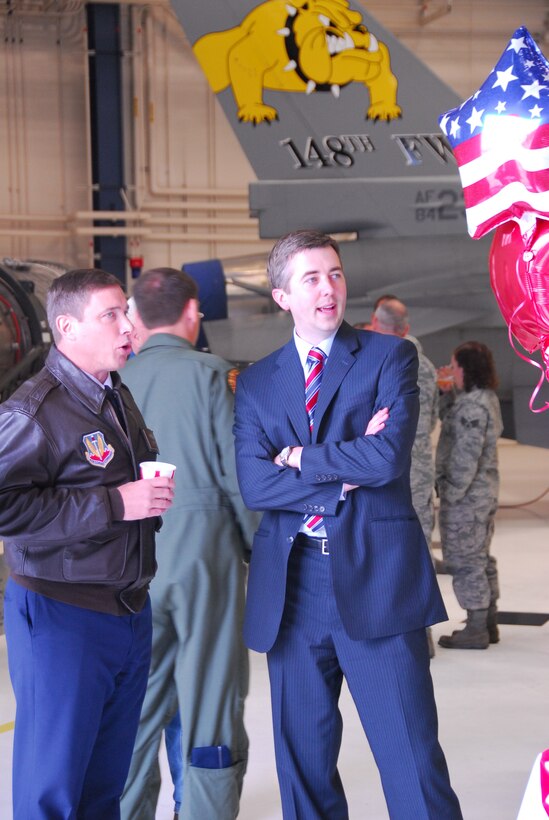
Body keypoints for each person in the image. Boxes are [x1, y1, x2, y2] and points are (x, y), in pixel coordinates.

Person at [233, 229, 462, 819]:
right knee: (303, 771)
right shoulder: (257, 382)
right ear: (282, 295)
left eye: (334, 273)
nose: (328, 288)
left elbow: (386, 459)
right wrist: (345, 469)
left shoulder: (389, 356)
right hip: (294, 590)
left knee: (411, 761)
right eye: (310, 278)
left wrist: (300, 459)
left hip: (378, 579)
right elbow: (256, 485)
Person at [0, 268, 175, 819]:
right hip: (62, 615)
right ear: (66, 328)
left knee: (103, 789)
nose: (129, 325)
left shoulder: (113, 396)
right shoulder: (35, 409)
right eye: (111, 315)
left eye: (126, 311)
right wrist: (117, 504)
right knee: (52, 792)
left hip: (124, 612)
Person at [120, 267, 258, 820]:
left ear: (134, 318)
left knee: (134, 707)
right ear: (193, 313)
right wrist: (258, 549)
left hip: (133, 561)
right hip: (205, 558)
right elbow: (237, 476)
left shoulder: (115, 379)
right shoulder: (211, 375)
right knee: (210, 703)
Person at [436, 341, 503, 650]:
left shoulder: (473, 407)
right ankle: (487, 621)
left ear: (465, 369)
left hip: (467, 497)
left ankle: (476, 626)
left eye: (454, 365)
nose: (451, 371)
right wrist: (447, 393)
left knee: (465, 560)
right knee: (480, 557)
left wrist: (449, 491)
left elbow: (466, 455)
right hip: (483, 493)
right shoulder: (484, 399)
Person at [371, 298, 439, 549]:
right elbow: (432, 420)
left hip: (383, 471)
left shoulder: (376, 363)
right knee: (420, 547)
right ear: (406, 329)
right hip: (420, 471)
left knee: (386, 550)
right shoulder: (428, 368)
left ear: (375, 322)